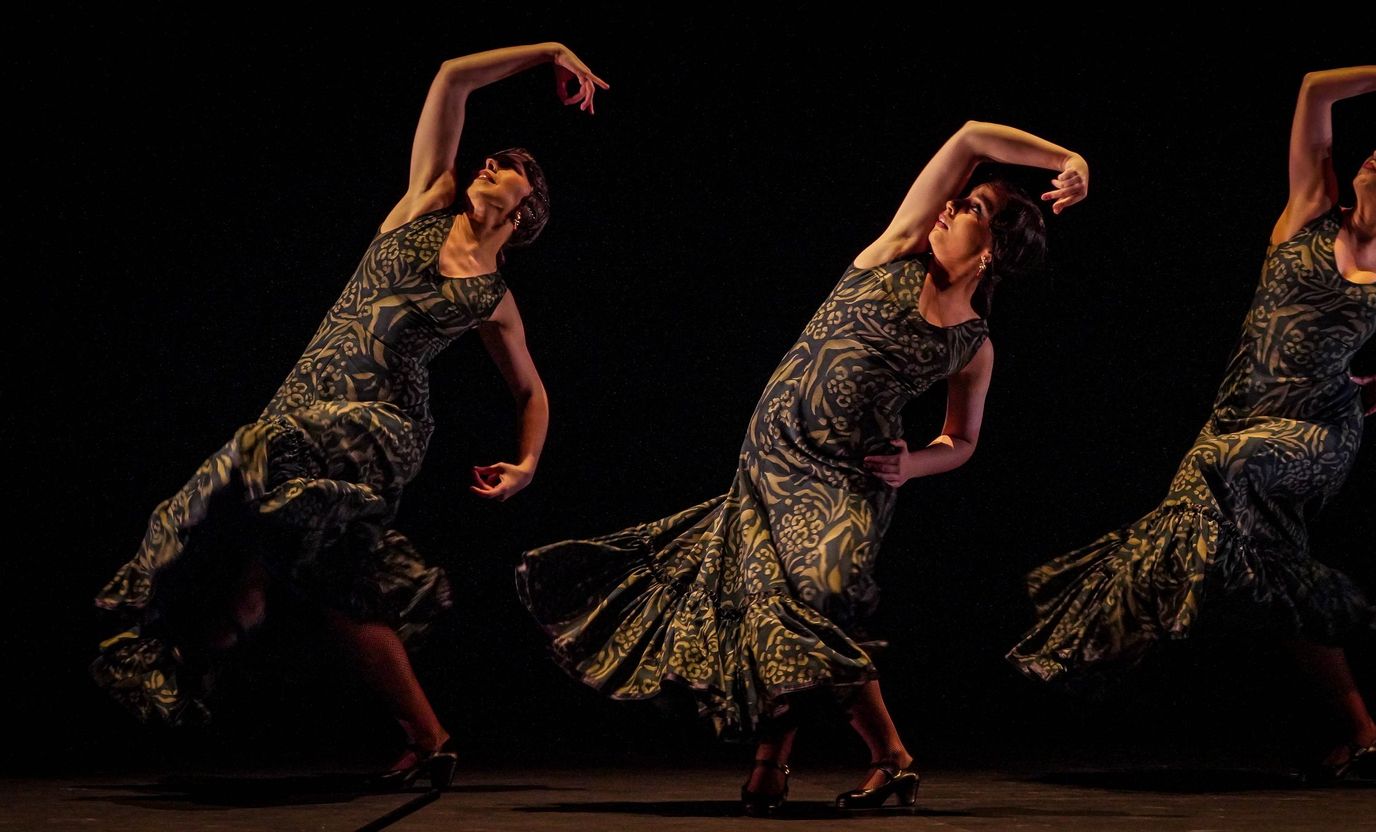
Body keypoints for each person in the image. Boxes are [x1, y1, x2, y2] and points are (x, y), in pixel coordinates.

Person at [517, 119, 1088, 812]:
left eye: (970, 209)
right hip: (771, 465)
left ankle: (886, 756)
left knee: (806, 604)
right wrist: (1069, 158)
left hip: (851, 483)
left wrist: (913, 465)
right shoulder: (896, 251)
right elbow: (969, 138)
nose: (948, 206)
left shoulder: (973, 345)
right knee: (774, 607)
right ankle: (780, 764)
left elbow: (961, 440)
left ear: (993, 250)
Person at [92, 41, 608, 790]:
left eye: (510, 167)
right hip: (301, 405)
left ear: (525, 210)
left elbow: (532, 391)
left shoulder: (494, 298)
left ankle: (184, 659)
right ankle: (428, 738)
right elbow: (452, 77)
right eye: (492, 158)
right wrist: (550, 51)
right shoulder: (425, 201)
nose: (491, 163)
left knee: (264, 470)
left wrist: (527, 464)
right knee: (310, 584)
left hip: (379, 428)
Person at [1008, 65, 1376, 782]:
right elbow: (1315, 89)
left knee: (1226, 467)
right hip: (1237, 418)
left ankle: (1147, 646)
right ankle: (1361, 730)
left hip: (1319, 433)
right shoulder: (1310, 209)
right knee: (1263, 565)